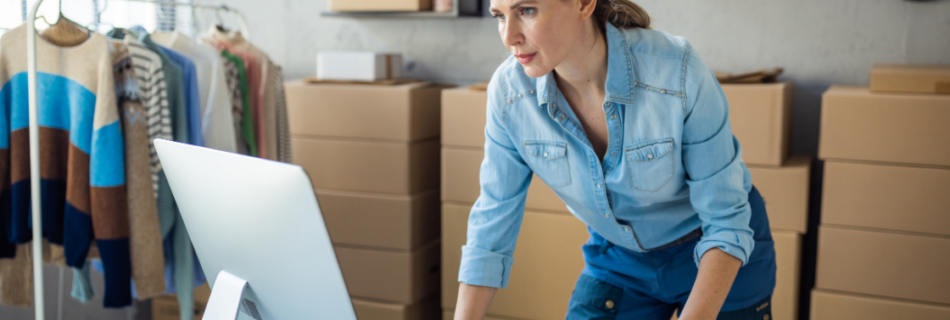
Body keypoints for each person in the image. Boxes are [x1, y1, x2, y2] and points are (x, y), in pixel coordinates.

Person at [453, 0, 776, 319]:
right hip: (620, 256)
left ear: (583, 4)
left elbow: (726, 222)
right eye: (499, 16)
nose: (509, 37)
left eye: (526, 10)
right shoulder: (510, 94)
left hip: (717, 251)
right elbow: (493, 221)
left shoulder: (675, 70)